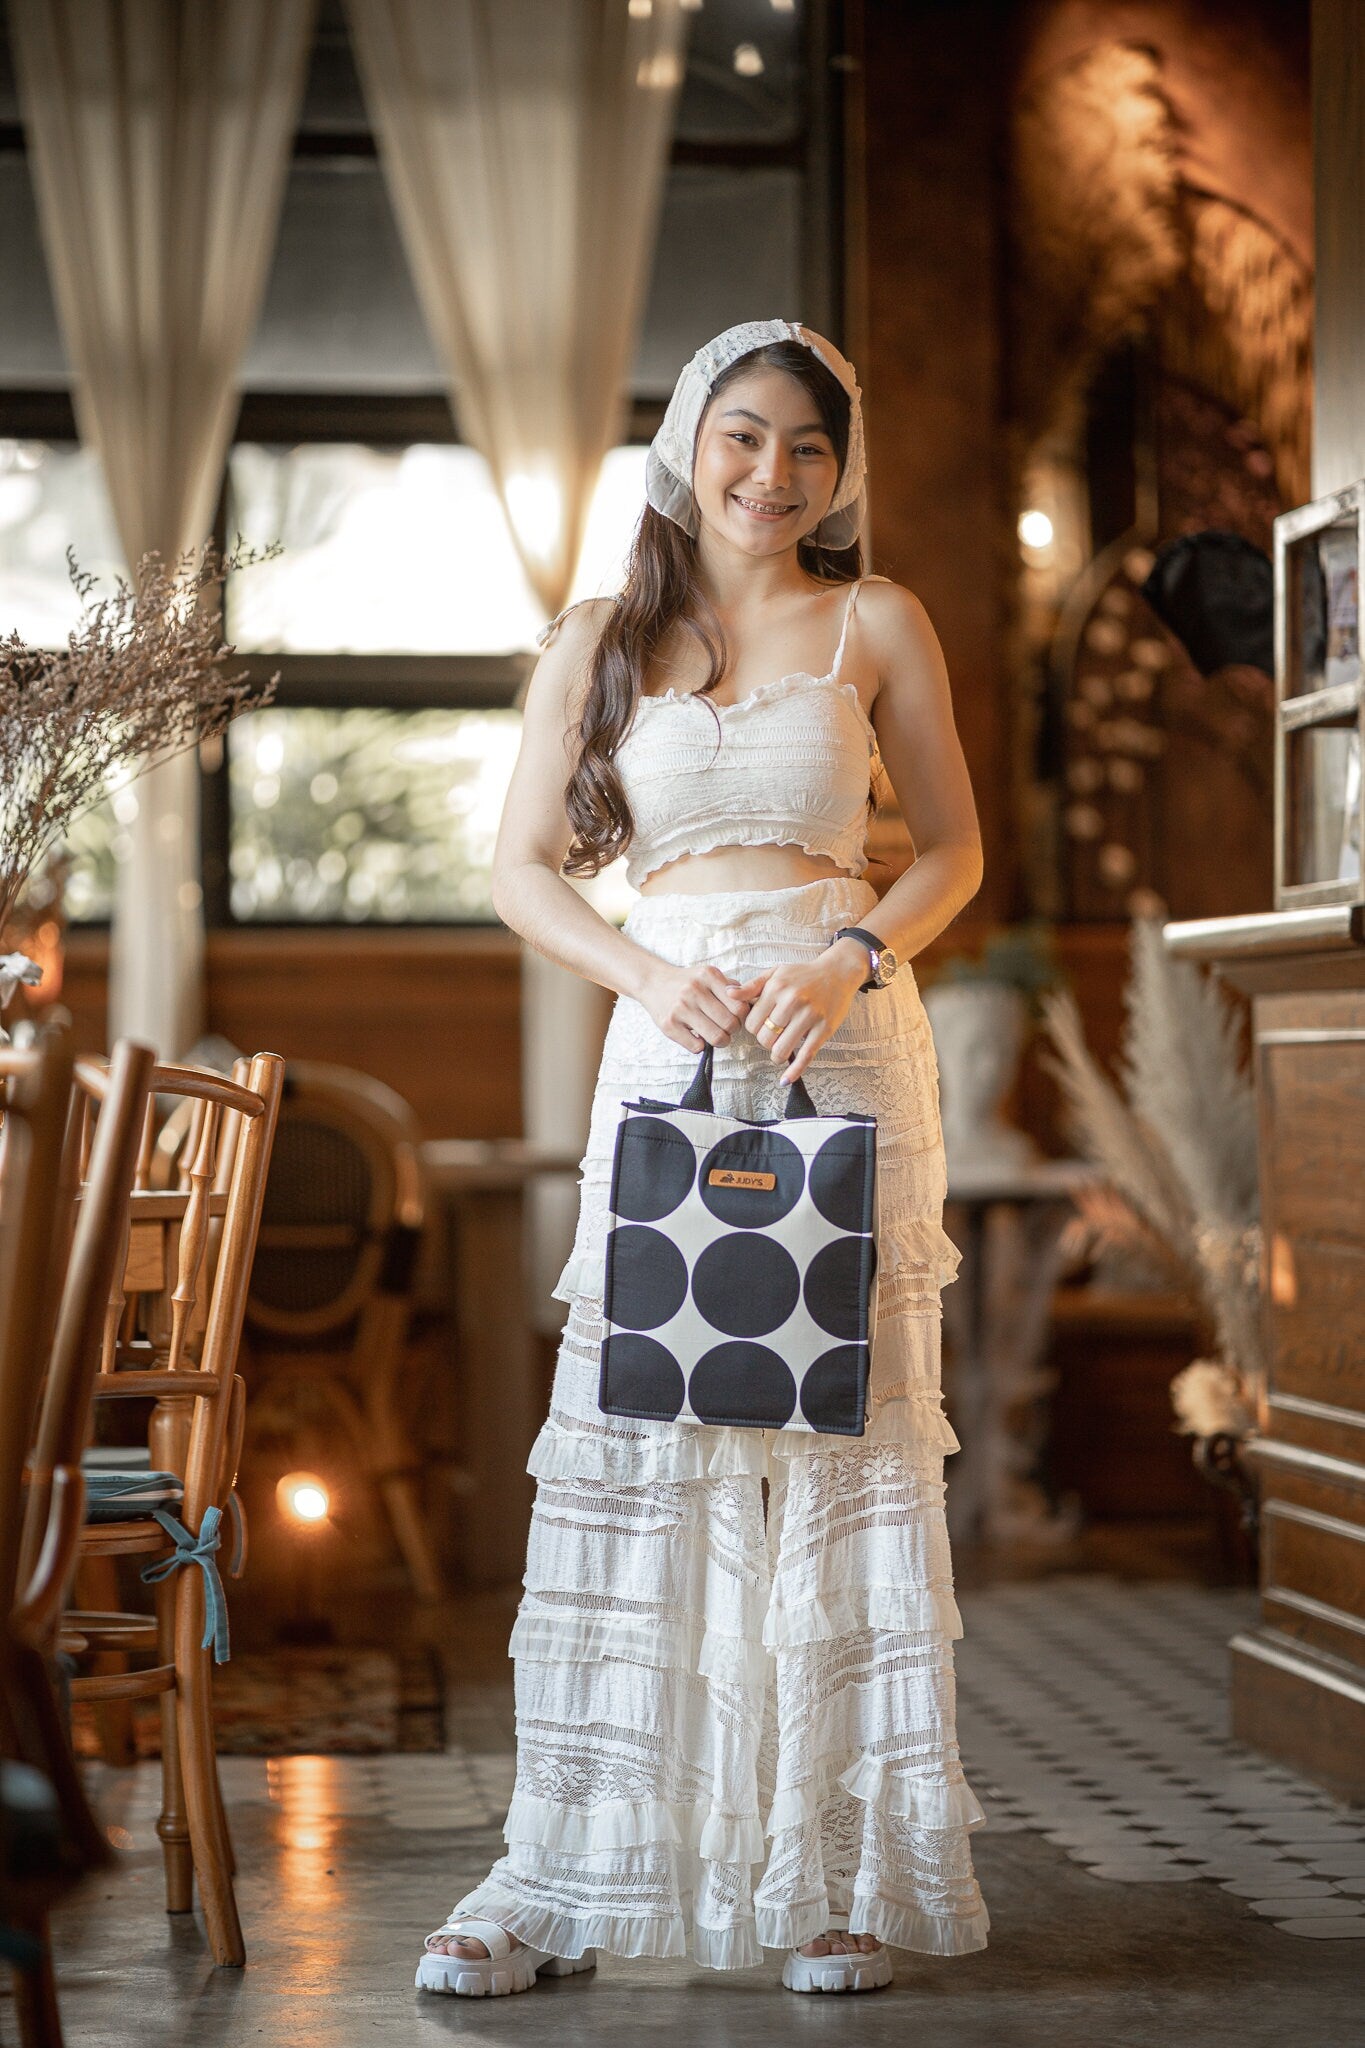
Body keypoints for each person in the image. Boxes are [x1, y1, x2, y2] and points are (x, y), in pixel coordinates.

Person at [416, 318, 989, 1998]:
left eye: (809, 445)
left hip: (840, 1045)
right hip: (664, 1049)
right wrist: (647, 973)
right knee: (636, 1432)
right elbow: (522, 871)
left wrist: (852, 956)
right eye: (745, 434)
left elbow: (953, 852)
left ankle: (830, 1880)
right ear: (688, 442)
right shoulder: (599, 636)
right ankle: (562, 1878)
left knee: (837, 1432)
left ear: (840, 469)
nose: (773, 472)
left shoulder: (878, 621)